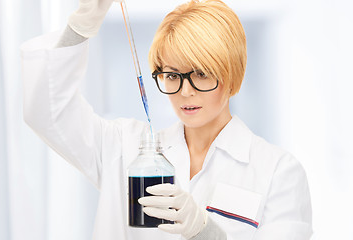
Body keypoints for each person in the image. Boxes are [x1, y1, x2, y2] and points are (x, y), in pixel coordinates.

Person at [21, 0, 313, 239]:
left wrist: (206, 232)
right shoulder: (124, 148)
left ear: (230, 74)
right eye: (173, 75)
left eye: (201, 73)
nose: (185, 91)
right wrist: (81, 26)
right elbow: (47, 111)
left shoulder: (278, 172)